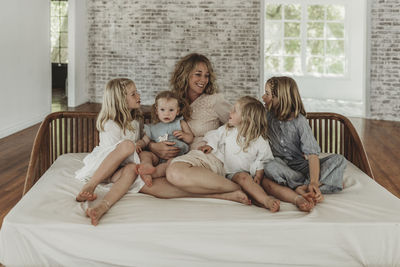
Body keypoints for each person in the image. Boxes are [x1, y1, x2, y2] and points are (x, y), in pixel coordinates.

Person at [164, 53, 313, 211]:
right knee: (150, 184)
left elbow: (241, 121)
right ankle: (223, 194)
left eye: (206, 75)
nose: (203, 80)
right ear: (184, 74)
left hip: (211, 162)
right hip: (187, 159)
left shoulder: (216, 104)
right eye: (198, 74)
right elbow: (159, 126)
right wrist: (153, 147)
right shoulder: (172, 102)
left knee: (174, 174)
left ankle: (244, 189)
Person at [75, 78, 153, 225]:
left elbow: (132, 154)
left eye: (137, 92)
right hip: (103, 166)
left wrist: (143, 143)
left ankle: (103, 206)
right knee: (128, 145)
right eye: (133, 94)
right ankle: (91, 185)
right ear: (120, 100)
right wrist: (133, 146)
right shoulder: (110, 124)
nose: (138, 96)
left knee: (132, 169)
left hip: (119, 169)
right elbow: (114, 153)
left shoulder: (135, 121)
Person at [262, 76, 347, 204]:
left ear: (280, 98)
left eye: (267, 94)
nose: (263, 97)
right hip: (281, 165)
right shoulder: (266, 116)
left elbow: (312, 154)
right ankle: (315, 185)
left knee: (339, 160)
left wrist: (313, 181)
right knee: (270, 166)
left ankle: (305, 186)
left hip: (300, 165)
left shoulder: (299, 121)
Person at [199, 96, 280, 212]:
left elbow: (263, 159)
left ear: (246, 118)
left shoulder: (260, 140)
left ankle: (261, 199)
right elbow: (215, 135)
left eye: (235, 110)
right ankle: (266, 200)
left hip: (251, 175)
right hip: (230, 174)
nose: (230, 112)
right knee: (243, 177)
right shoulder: (228, 130)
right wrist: (210, 145)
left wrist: (258, 175)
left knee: (261, 183)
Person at [136, 90, 194, 183]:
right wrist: (138, 144)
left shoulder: (180, 123)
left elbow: (190, 138)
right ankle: (147, 166)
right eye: (162, 110)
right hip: (157, 156)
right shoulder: (152, 127)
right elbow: (145, 141)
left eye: (171, 110)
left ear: (177, 111)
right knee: (145, 154)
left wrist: (184, 135)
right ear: (156, 111)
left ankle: (152, 174)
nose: (167, 113)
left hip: (175, 156)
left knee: (171, 164)